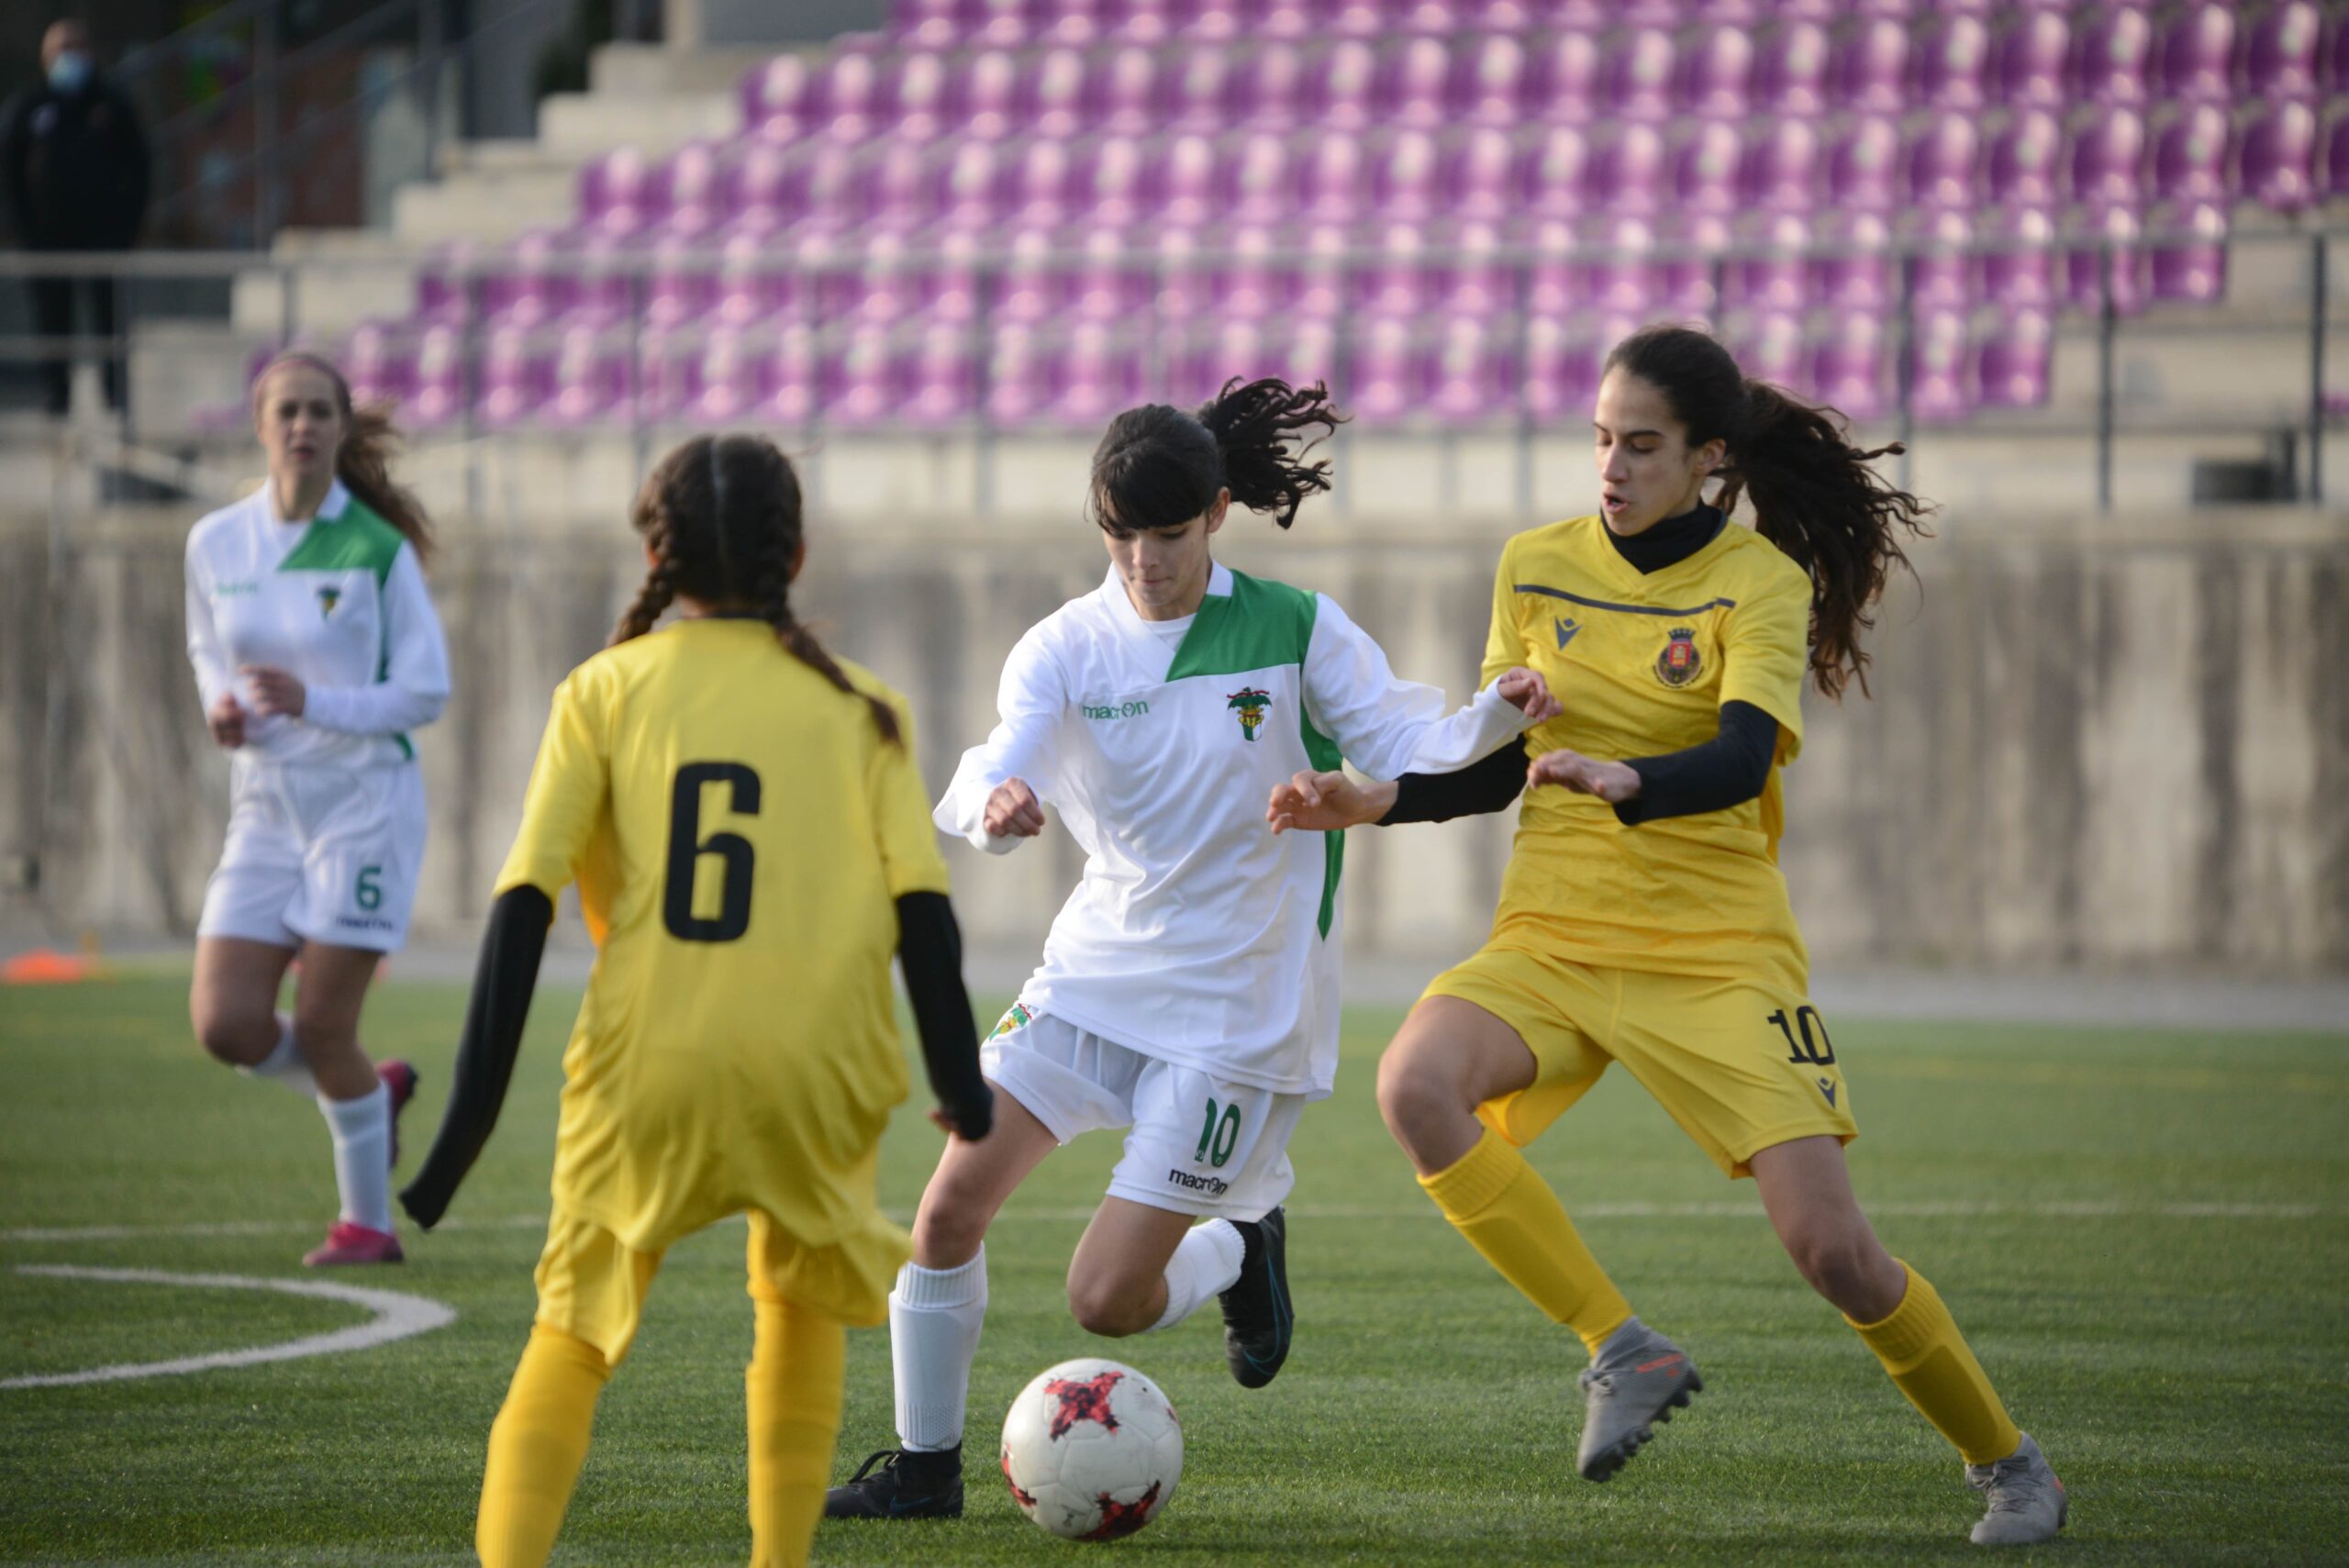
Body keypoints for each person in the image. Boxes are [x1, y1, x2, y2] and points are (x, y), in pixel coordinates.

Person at [1266, 325, 2067, 1548]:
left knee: (1834, 1250)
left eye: (1642, 445)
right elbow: (1488, 769)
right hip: (1553, 933)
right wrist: (1375, 797)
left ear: (1709, 457)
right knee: (1414, 1084)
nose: (1612, 467)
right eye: (1600, 440)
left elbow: (1743, 757)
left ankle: (2007, 1461)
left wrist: (1629, 778)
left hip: (1716, 950)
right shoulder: (1535, 565)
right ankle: (1621, 1348)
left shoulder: (1759, 583)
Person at [824, 377, 1562, 1523]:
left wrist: (1497, 711)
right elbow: (981, 764)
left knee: (1105, 1301)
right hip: (1091, 976)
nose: (1142, 561)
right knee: (944, 1213)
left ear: (1216, 513)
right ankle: (925, 1469)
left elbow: (1406, 733)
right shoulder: (1063, 646)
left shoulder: (1294, 627)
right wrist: (995, 804)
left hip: (1239, 1007)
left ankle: (1238, 1242)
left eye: (1166, 535)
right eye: (1120, 534)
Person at [396, 433, 993, 1568]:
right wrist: (964, 1091)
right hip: (817, 1063)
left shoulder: (602, 690)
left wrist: (460, 1134)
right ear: (797, 552)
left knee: (571, 1336)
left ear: (657, 552)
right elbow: (927, 920)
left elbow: (521, 910)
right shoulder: (865, 707)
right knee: (798, 1310)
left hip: (644, 1060)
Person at [183, 350, 445, 1267]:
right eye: (286, 410)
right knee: (226, 1025)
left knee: (326, 1023)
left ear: (340, 429)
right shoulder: (216, 542)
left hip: (362, 804)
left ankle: (365, 1225)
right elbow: (207, 645)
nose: (302, 426)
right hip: (263, 803)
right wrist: (222, 703)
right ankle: (370, 1095)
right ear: (259, 424)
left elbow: (426, 690)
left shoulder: (375, 549)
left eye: (319, 411)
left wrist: (315, 703)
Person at [1, 18, 150, 416]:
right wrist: (25, 233)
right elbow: (11, 175)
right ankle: (57, 394)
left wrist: (126, 231)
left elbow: (138, 172)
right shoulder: (30, 108)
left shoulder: (113, 106)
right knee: (53, 322)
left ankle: (113, 394)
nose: (67, 56)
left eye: (74, 47)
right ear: (45, 57)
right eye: (59, 49)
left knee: (109, 319)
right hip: (47, 242)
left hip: (105, 240)